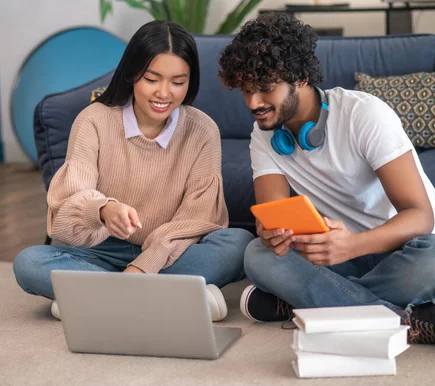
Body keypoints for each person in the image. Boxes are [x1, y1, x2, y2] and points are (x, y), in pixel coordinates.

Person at [217, 13, 435, 350]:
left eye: (265, 88)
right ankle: (403, 321)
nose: (254, 103)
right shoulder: (264, 134)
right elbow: (273, 216)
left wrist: (353, 244)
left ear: (301, 77)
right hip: (337, 257)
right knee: (257, 254)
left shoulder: (364, 115)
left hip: (408, 249)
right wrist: (272, 233)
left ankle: (304, 302)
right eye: (246, 91)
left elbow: (420, 216)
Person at [13, 20, 254, 322]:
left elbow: (199, 216)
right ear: (132, 74)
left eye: (178, 82)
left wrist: (143, 266)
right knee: (29, 262)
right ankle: (176, 298)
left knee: (237, 245)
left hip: (170, 251)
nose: (164, 93)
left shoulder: (202, 129)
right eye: (152, 79)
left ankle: (90, 299)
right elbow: (68, 203)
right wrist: (102, 210)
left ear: (190, 82)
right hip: (100, 251)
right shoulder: (93, 121)